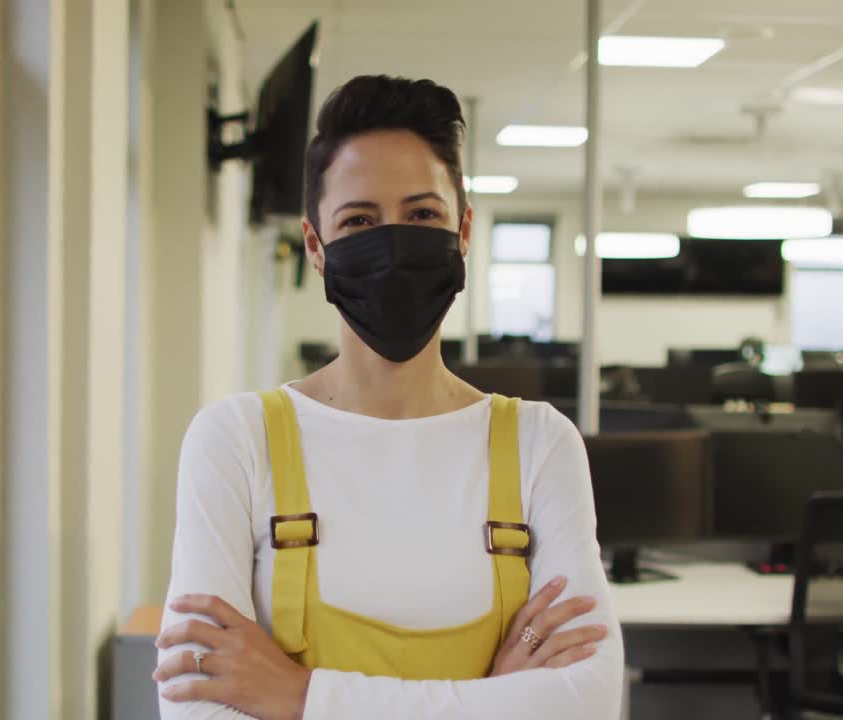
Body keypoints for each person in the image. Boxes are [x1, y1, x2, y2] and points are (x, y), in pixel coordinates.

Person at [154, 75, 623, 719]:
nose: (393, 244)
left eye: (422, 215)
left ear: (463, 231)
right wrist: (496, 700)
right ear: (316, 247)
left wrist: (297, 694)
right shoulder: (236, 440)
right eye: (359, 221)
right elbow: (197, 708)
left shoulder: (540, 443)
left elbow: (587, 703)